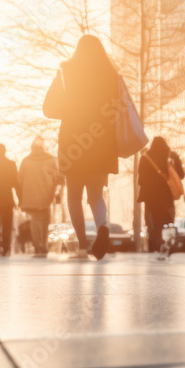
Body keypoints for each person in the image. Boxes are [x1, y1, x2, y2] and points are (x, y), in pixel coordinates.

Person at [43, 35, 119, 260]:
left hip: (73, 140)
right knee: (96, 195)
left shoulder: (65, 73)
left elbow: (48, 109)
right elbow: (118, 107)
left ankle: (83, 247)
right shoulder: (111, 75)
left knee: (74, 196)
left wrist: (68, 110)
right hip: (101, 141)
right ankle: (102, 226)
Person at [139, 136, 185, 257]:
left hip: (150, 199)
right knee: (167, 223)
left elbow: (141, 180)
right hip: (167, 198)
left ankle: (153, 248)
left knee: (153, 224)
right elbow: (181, 174)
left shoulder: (145, 158)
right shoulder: (171, 156)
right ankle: (167, 246)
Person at [18, 136, 61, 258]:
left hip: (30, 196)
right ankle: (43, 244)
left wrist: (20, 198)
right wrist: (57, 193)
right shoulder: (51, 160)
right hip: (47, 195)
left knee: (35, 220)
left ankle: (39, 245)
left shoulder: (25, 161)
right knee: (45, 220)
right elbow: (58, 177)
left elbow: (19, 180)